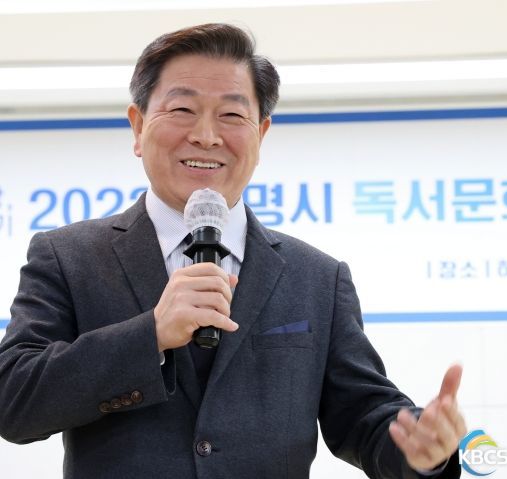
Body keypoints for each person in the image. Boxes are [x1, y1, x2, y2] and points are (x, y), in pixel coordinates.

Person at [0, 23, 466, 478]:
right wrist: (150, 335)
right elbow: (13, 401)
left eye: (231, 115)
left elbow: (363, 415)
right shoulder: (68, 257)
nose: (206, 135)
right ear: (138, 127)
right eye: (182, 109)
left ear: (261, 134)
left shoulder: (318, 278)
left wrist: (420, 450)